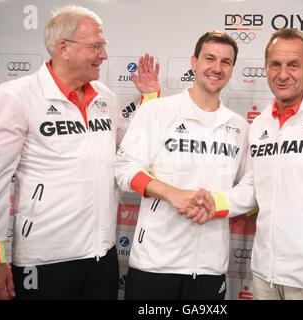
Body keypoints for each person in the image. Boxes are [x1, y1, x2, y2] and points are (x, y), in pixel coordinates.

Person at [0, 5, 160, 300]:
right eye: (96, 46)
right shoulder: (15, 97)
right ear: (64, 48)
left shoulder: (105, 98)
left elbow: (132, 148)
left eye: (104, 46)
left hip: (103, 256)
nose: (104, 55)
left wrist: (149, 99)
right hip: (44, 261)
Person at [186, 28, 303, 300]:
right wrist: (214, 203)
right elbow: (254, 186)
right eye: (275, 64)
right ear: (266, 68)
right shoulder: (260, 124)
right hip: (265, 277)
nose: (283, 74)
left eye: (293, 65)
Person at [114, 30, 250, 300]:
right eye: (209, 58)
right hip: (154, 262)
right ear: (194, 62)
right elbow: (124, 167)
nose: (217, 68)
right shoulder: (157, 110)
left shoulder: (239, 126)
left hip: (210, 267)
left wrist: (218, 204)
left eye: (226, 62)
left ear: (232, 69)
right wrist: (171, 193)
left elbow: (252, 185)